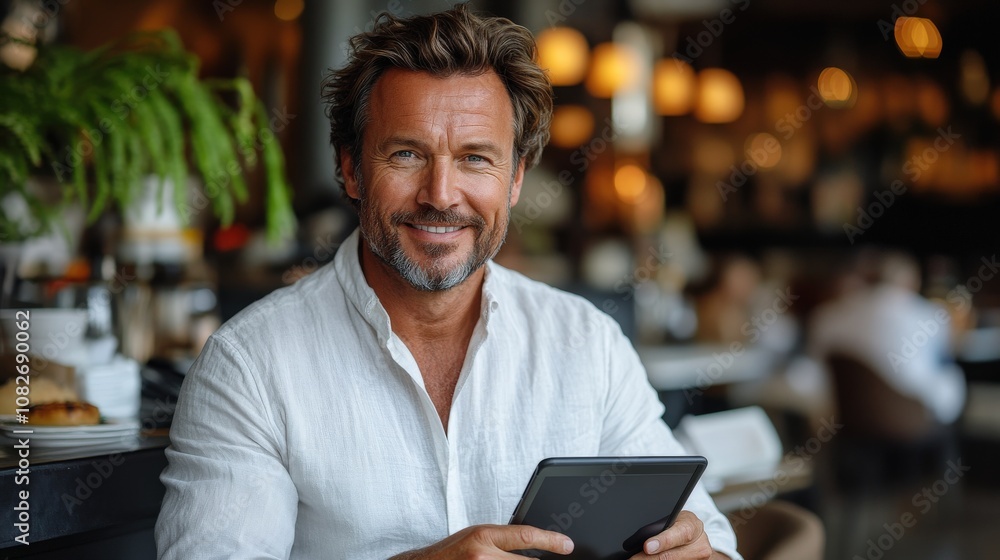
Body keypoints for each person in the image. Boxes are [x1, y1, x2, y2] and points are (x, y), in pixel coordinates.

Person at [155, 5, 740, 559]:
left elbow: (708, 537)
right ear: (352, 168)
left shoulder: (588, 344)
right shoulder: (248, 367)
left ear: (515, 180)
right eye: (407, 154)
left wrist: (699, 551)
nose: (440, 195)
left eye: (476, 159)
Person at [809, 251, 966, 425]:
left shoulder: (826, 315)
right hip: (911, 419)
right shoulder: (931, 315)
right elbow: (942, 360)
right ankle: (947, 449)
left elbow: (815, 363)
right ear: (911, 282)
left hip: (843, 419)